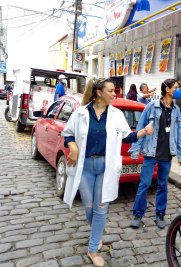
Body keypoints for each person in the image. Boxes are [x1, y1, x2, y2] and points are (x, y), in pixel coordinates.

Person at [61, 77, 154, 267]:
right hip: (85, 167)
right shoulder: (80, 113)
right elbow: (68, 133)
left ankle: (93, 249)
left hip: (106, 166)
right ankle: (97, 233)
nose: (115, 94)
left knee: (101, 208)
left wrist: (143, 132)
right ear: (99, 93)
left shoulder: (117, 114)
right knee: (89, 207)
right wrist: (74, 148)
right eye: (111, 91)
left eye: (114, 91)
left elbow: (127, 136)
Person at [129, 78, 181, 229]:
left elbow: (180, 132)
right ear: (167, 89)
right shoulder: (151, 107)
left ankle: (160, 213)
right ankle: (137, 214)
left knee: (163, 185)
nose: (178, 90)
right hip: (151, 153)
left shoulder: (176, 110)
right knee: (144, 184)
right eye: (175, 87)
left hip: (166, 154)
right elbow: (141, 127)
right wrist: (135, 149)